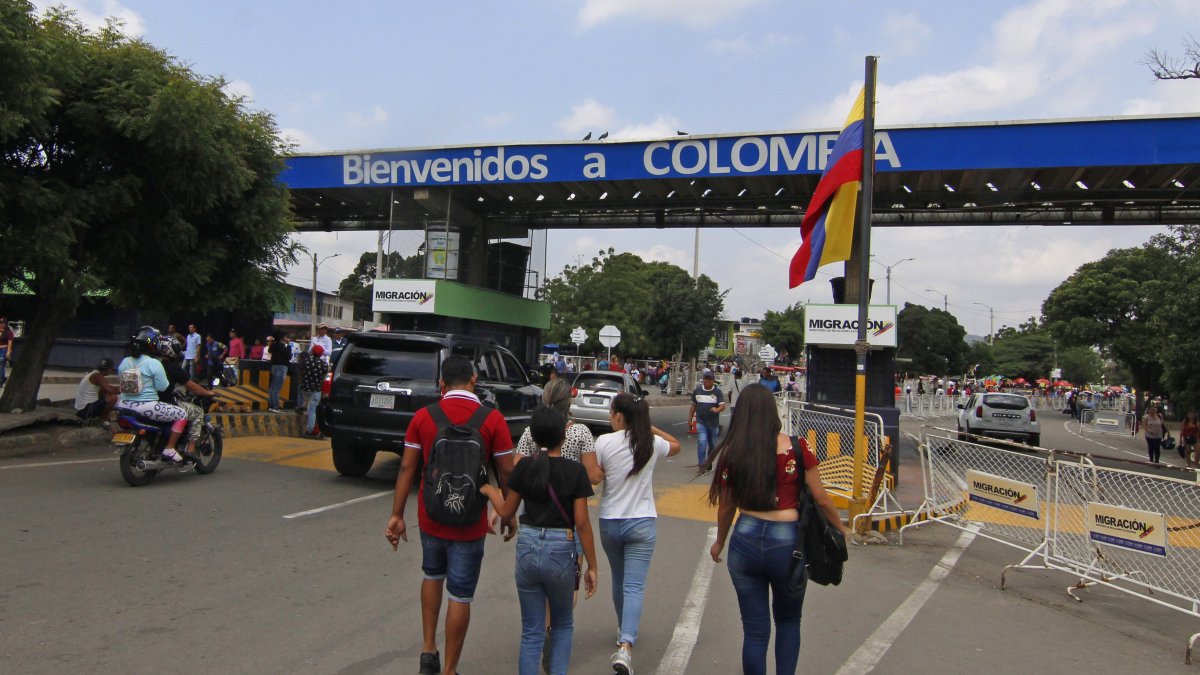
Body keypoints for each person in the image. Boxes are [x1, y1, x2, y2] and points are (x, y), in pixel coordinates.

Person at [385, 355, 517, 675]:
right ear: (474, 380)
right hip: (471, 521)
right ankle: (449, 670)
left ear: (441, 384)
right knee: (460, 594)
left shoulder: (423, 417)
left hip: (432, 517)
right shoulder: (492, 420)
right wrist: (508, 513)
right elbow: (507, 472)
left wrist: (397, 515)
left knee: (432, 575)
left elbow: (407, 467)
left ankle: (428, 650)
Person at [707, 384, 847, 675]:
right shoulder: (797, 447)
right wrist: (840, 529)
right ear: (773, 412)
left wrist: (720, 541)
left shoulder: (733, 453)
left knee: (755, 631)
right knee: (788, 621)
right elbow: (820, 497)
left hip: (744, 538)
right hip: (788, 544)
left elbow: (726, 507)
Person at [481, 406, 599, 675]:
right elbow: (581, 523)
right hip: (561, 551)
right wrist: (592, 566)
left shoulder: (524, 468)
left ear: (533, 437)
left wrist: (490, 490)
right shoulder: (575, 472)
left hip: (528, 546)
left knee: (531, 631)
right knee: (562, 625)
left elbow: (507, 511)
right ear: (563, 437)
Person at [593, 392, 681, 675]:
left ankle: (623, 630)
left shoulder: (604, 442)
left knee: (619, 580)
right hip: (642, 522)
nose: (610, 417)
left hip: (610, 521)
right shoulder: (651, 443)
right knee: (634, 585)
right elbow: (677, 445)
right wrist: (648, 427)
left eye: (611, 413)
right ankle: (626, 645)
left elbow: (597, 475)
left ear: (619, 416)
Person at [114, 327, 190, 463]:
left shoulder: (125, 362)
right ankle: (170, 448)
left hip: (124, 405)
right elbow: (163, 387)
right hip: (147, 407)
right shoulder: (154, 363)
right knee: (183, 414)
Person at [156, 335, 218, 456]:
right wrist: (208, 392)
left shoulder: (155, 363)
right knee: (198, 412)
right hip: (165, 403)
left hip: (153, 402)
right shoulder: (173, 367)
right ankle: (190, 449)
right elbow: (192, 386)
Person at [689, 370, 726, 473]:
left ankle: (709, 462)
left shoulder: (717, 392)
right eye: (706, 378)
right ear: (703, 379)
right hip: (701, 422)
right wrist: (690, 419)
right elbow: (693, 405)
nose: (708, 381)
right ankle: (702, 466)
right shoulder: (697, 391)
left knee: (713, 445)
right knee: (702, 443)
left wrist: (717, 409)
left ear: (713, 380)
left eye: (710, 379)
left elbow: (722, 405)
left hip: (713, 424)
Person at [74, 357, 119, 424]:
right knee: (113, 398)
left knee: (104, 393)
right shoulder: (97, 376)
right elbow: (110, 390)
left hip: (82, 409)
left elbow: (107, 388)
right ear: (110, 369)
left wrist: (120, 388)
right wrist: (124, 390)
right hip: (85, 411)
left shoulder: (95, 374)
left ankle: (104, 416)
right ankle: (102, 419)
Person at [299, 344, 328, 436]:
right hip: (316, 389)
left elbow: (301, 372)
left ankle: (301, 424)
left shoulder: (306, 361)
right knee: (313, 410)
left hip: (305, 388)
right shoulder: (324, 364)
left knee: (305, 405)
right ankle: (310, 430)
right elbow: (324, 376)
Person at [267, 330, 290, 412]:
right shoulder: (282, 346)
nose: (286, 338)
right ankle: (276, 406)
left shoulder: (273, 345)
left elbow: (269, 350)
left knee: (273, 386)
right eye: (284, 336)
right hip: (281, 367)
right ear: (281, 337)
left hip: (274, 366)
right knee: (277, 387)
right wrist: (289, 345)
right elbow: (288, 356)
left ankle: (271, 405)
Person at [0, 317, 14, 386]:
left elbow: (10, 342)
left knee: (1, 365)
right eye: (0, 323)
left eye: (3, 323)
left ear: (5, 324)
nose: (1, 324)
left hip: (4, 350)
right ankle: (2, 378)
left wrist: (8, 352)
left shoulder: (9, 332)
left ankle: (1, 380)